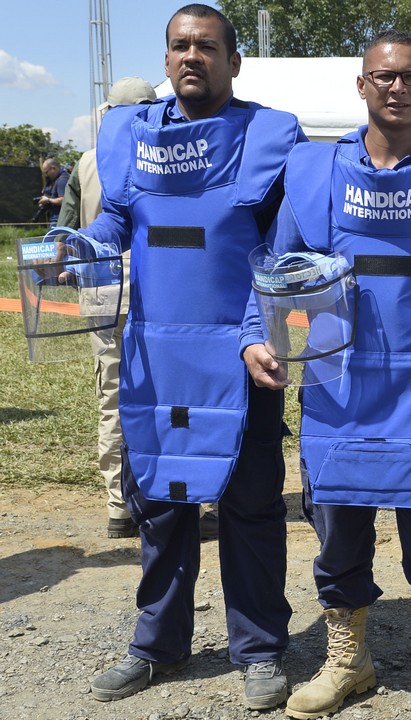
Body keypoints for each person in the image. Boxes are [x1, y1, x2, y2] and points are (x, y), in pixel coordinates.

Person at [238, 29, 411, 720]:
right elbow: (275, 268)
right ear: (362, 85)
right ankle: (348, 662)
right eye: (383, 76)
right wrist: (251, 338)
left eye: (410, 76)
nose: (396, 87)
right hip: (336, 386)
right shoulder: (315, 172)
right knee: (339, 534)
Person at [85, 3, 304, 711]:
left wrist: (250, 331)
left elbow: (280, 248)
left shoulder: (271, 135)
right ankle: (156, 644)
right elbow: (116, 219)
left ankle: (261, 648)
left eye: (206, 46)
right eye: (180, 45)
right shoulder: (130, 133)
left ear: (233, 62)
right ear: (167, 56)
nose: (190, 57)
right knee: (163, 504)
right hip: (157, 354)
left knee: (251, 507)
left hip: (244, 356)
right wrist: (81, 247)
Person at [55, 76, 158, 539]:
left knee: (112, 399)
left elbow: (66, 230)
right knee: (168, 393)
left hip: (101, 289)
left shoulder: (85, 162)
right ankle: (182, 497)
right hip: (155, 291)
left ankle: (119, 507)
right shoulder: (161, 156)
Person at [37, 158, 69, 228]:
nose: (45, 175)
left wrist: (48, 200)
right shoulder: (54, 180)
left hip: (60, 221)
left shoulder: (62, 180)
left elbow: (64, 200)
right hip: (54, 219)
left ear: (53, 168)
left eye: (46, 172)